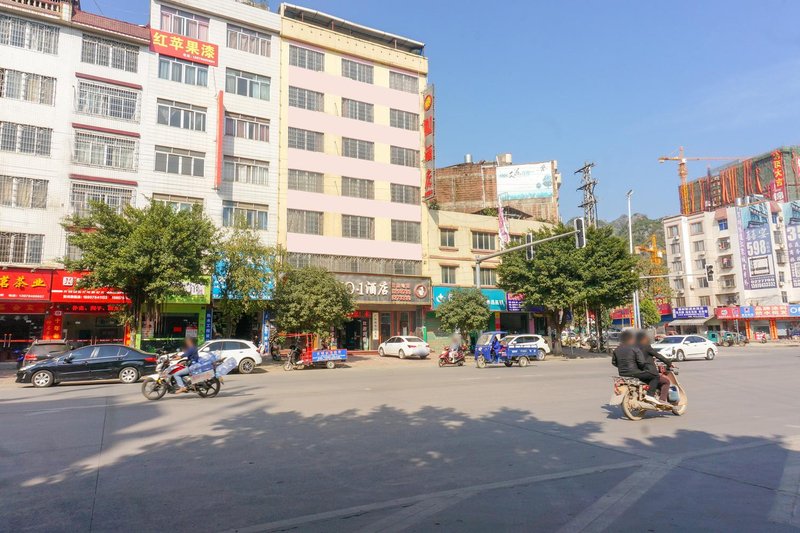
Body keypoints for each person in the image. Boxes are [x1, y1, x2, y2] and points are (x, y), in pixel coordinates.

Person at [612, 330, 662, 404]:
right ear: (631, 339)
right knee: (655, 376)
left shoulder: (616, 350)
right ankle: (650, 395)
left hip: (622, 374)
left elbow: (614, 362)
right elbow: (641, 362)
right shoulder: (635, 349)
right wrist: (640, 367)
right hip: (634, 373)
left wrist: (622, 367)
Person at [635, 330, 673, 402]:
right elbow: (658, 355)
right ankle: (662, 400)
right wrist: (669, 363)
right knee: (666, 382)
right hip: (647, 372)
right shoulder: (646, 347)